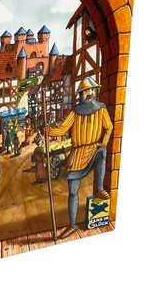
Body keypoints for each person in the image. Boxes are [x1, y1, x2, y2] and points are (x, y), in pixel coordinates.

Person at [47, 77, 113, 239]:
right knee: (72, 191)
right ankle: (72, 225)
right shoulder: (75, 112)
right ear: (81, 94)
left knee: (102, 152)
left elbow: (109, 127)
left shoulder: (101, 109)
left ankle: (99, 189)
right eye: (85, 91)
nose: (89, 93)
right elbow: (62, 129)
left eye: (91, 89)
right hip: (77, 154)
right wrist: (48, 130)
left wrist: (103, 143)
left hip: (94, 149)